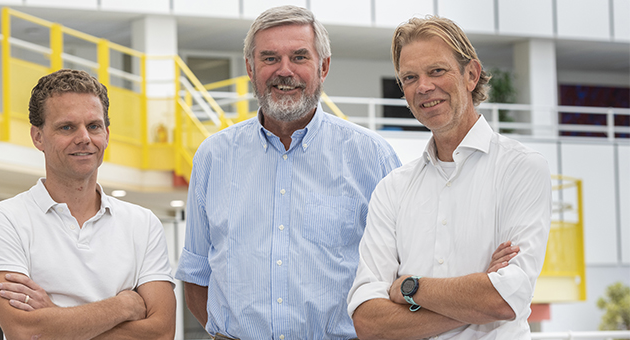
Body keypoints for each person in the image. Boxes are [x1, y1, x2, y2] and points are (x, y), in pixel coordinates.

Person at [174, 5, 402, 340]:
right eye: (269, 58)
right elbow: (196, 274)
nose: (284, 71)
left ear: (323, 67)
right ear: (250, 68)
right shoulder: (213, 157)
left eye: (299, 57)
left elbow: (399, 273)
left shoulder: (373, 157)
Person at [347, 16, 552, 339]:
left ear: (471, 74)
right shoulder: (392, 189)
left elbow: (501, 299)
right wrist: (473, 300)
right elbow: (369, 323)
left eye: (437, 71)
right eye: (410, 77)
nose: (424, 87)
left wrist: (409, 287)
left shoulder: (521, 169)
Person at [0, 69, 176, 340]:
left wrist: (55, 316)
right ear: (38, 137)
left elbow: (161, 332)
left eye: (93, 126)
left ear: (106, 134)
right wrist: (124, 305)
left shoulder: (143, 223)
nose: (84, 138)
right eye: (66, 127)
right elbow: (26, 330)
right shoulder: (4, 220)